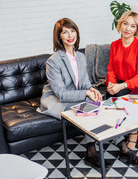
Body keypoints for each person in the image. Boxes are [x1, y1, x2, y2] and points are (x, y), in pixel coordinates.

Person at [38, 18, 109, 169]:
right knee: (89, 107)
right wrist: (86, 94)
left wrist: (92, 90)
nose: (70, 35)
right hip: (56, 100)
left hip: (75, 95)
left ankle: (123, 146)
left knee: (101, 104)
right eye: (65, 32)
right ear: (59, 37)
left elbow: (85, 84)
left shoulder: (81, 57)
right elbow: (62, 94)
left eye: (72, 30)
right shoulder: (54, 61)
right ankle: (91, 152)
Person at [106, 10, 138, 166]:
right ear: (120, 25)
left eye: (132, 26)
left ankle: (133, 134)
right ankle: (120, 134)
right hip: (121, 82)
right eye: (125, 24)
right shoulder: (114, 45)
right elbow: (111, 69)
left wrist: (121, 85)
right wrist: (111, 84)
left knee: (124, 100)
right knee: (111, 100)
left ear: (137, 29)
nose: (127, 28)